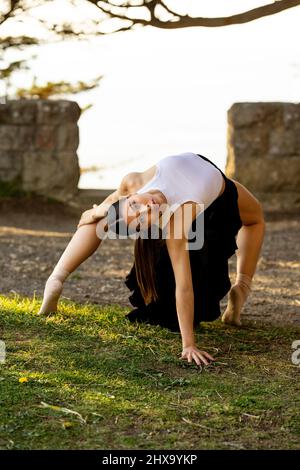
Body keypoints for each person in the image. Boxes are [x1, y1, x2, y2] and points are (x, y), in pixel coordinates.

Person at [37, 152, 265, 367]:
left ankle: (56, 278)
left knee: (109, 213)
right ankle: (242, 288)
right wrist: (188, 345)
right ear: (150, 228)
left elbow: (112, 206)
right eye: (143, 218)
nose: (147, 207)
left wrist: (102, 210)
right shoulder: (167, 211)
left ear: (130, 195)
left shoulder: (137, 186)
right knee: (255, 220)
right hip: (209, 182)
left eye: (136, 204)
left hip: (210, 181)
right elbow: (183, 285)